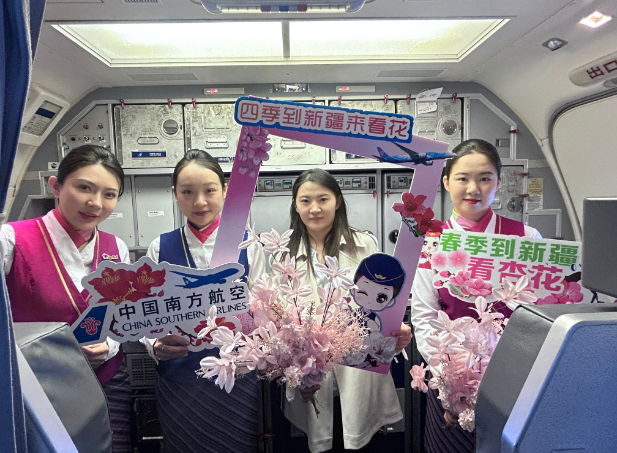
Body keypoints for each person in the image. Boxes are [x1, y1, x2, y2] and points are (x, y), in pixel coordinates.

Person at [410, 138, 541, 453]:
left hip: (512, 380)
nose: (474, 188)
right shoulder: (431, 242)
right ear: (446, 182)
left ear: (498, 182)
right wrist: (451, 383)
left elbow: (539, 315)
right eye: (462, 178)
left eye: (485, 178)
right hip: (449, 378)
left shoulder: (526, 238)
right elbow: (424, 317)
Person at [0, 144, 132, 453]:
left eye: (109, 194)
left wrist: (109, 346)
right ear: (56, 186)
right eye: (84, 188)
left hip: (106, 382)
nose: (95, 203)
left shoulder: (116, 248)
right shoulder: (11, 240)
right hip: (38, 389)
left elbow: (122, 318)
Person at [141, 149, 265, 453]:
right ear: (175, 194)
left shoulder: (248, 245)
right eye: (187, 192)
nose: (199, 202)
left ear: (224, 191)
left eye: (209, 191)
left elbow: (264, 309)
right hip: (179, 376)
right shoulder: (160, 247)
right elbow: (145, 312)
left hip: (237, 377)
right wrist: (154, 345)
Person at [281, 168, 412, 453]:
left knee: (362, 441)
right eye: (305, 201)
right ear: (295, 205)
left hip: (359, 374)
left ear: (337, 201)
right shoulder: (283, 254)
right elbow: (278, 320)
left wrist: (396, 330)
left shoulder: (364, 244)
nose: (314, 208)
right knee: (317, 440)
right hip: (310, 379)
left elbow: (382, 304)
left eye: (323, 199)